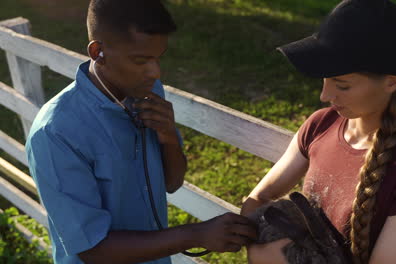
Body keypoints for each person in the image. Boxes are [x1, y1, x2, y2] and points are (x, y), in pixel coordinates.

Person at [25, 0, 256, 263]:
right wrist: (196, 234)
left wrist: (168, 136)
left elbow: (172, 182)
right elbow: (92, 249)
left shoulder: (146, 91)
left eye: (158, 58)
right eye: (141, 60)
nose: (155, 72)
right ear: (98, 51)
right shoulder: (55, 132)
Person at [241, 0, 396, 263]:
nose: (325, 95)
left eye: (342, 85)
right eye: (325, 79)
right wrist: (253, 238)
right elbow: (260, 196)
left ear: (392, 82)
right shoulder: (321, 124)